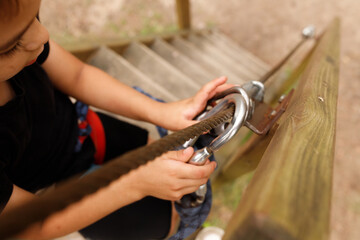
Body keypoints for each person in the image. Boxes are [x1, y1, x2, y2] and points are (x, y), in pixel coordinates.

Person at [0, 0, 230, 239]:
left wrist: (164, 112)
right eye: (10, 47)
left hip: (89, 131)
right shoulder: (28, 41)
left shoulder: (27, 39)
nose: (42, 35)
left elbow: (78, 76)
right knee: (166, 221)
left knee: (173, 178)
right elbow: (34, 227)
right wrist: (137, 184)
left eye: (35, 17)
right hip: (65, 193)